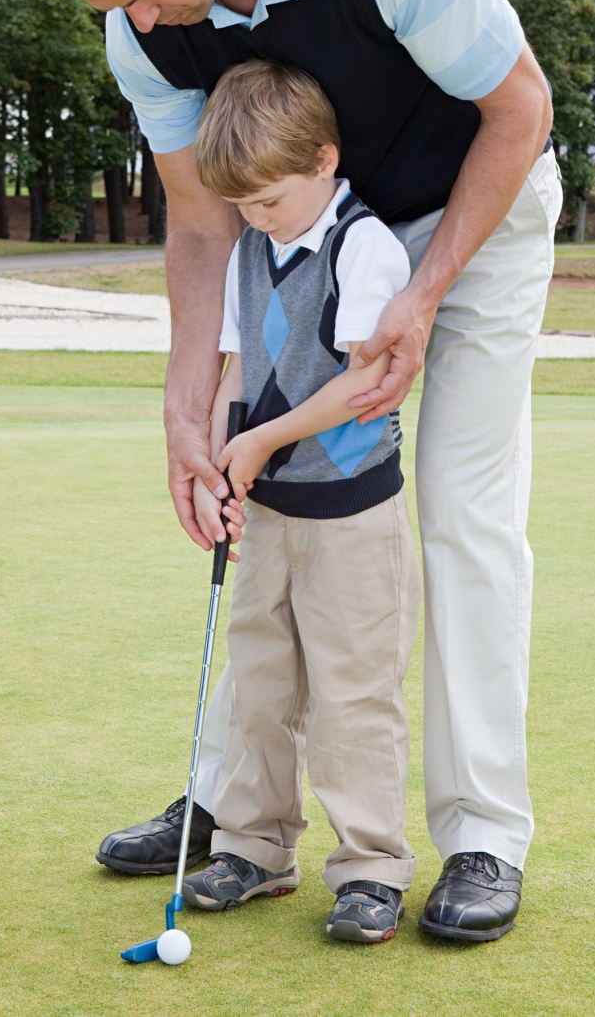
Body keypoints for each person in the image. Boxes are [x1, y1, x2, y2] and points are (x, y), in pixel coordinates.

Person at [27, 0, 561, 942]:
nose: (135, 21)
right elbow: (195, 221)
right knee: (255, 508)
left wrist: (420, 294)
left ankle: (480, 835)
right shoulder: (142, 30)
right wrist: (184, 411)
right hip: (294, 235)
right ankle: (229, 806)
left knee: (461, 514)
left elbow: (517, 109)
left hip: (477, 209)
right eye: (113, 8)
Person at [178, 57, 420, 943]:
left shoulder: (367, 247)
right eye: (243, 205)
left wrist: (261, 441)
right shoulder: (250, 249)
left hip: (353, 513)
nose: (257, 218)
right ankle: (254, 847)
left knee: (354, 692)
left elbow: (364, 384)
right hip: (269, 510)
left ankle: (370, 867)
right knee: (260, 682)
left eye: (271, 200)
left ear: (324, 161)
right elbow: (239, 372)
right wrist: (214, 456)